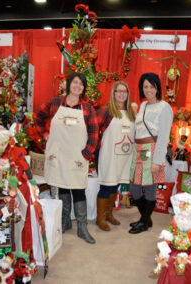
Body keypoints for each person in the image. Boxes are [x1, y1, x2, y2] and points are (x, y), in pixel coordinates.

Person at [34, 72, 98, 244]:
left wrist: (86, 154)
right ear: (69, 84)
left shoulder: (87, 108)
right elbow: (37, 116)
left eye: (81, 84)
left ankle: (82, 227)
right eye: (75, 82)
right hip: (59, 155)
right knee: (62, 187)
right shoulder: (55, 103)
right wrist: (45, 135)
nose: (77, 86)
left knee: (78, 189)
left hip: (77, 157)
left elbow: (94, 133)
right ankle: (65, 222)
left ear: (83, 88)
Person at [129, 72, 173, 234]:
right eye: (145, 86)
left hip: (152, 150)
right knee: (134, 187)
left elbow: (163, 136)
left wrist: (157, 160)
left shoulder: (164, 107)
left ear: (157, 88)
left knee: (149, 188)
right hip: (138, 150)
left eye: (152, 86)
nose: (149, 90)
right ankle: (146, 219)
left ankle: (144, 221)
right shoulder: (143, 106)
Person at [95, 81, 136, 231]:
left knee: (116, 185)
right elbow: (94, 129)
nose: (121, 94)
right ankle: (100, 218)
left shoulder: (131, 113)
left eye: (124, 91)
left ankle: (108, 214)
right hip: (108, 154)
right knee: (106, 185)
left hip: (124, 156)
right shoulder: (106, 111)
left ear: (127, 94)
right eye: (118, 91)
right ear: (113, 94)